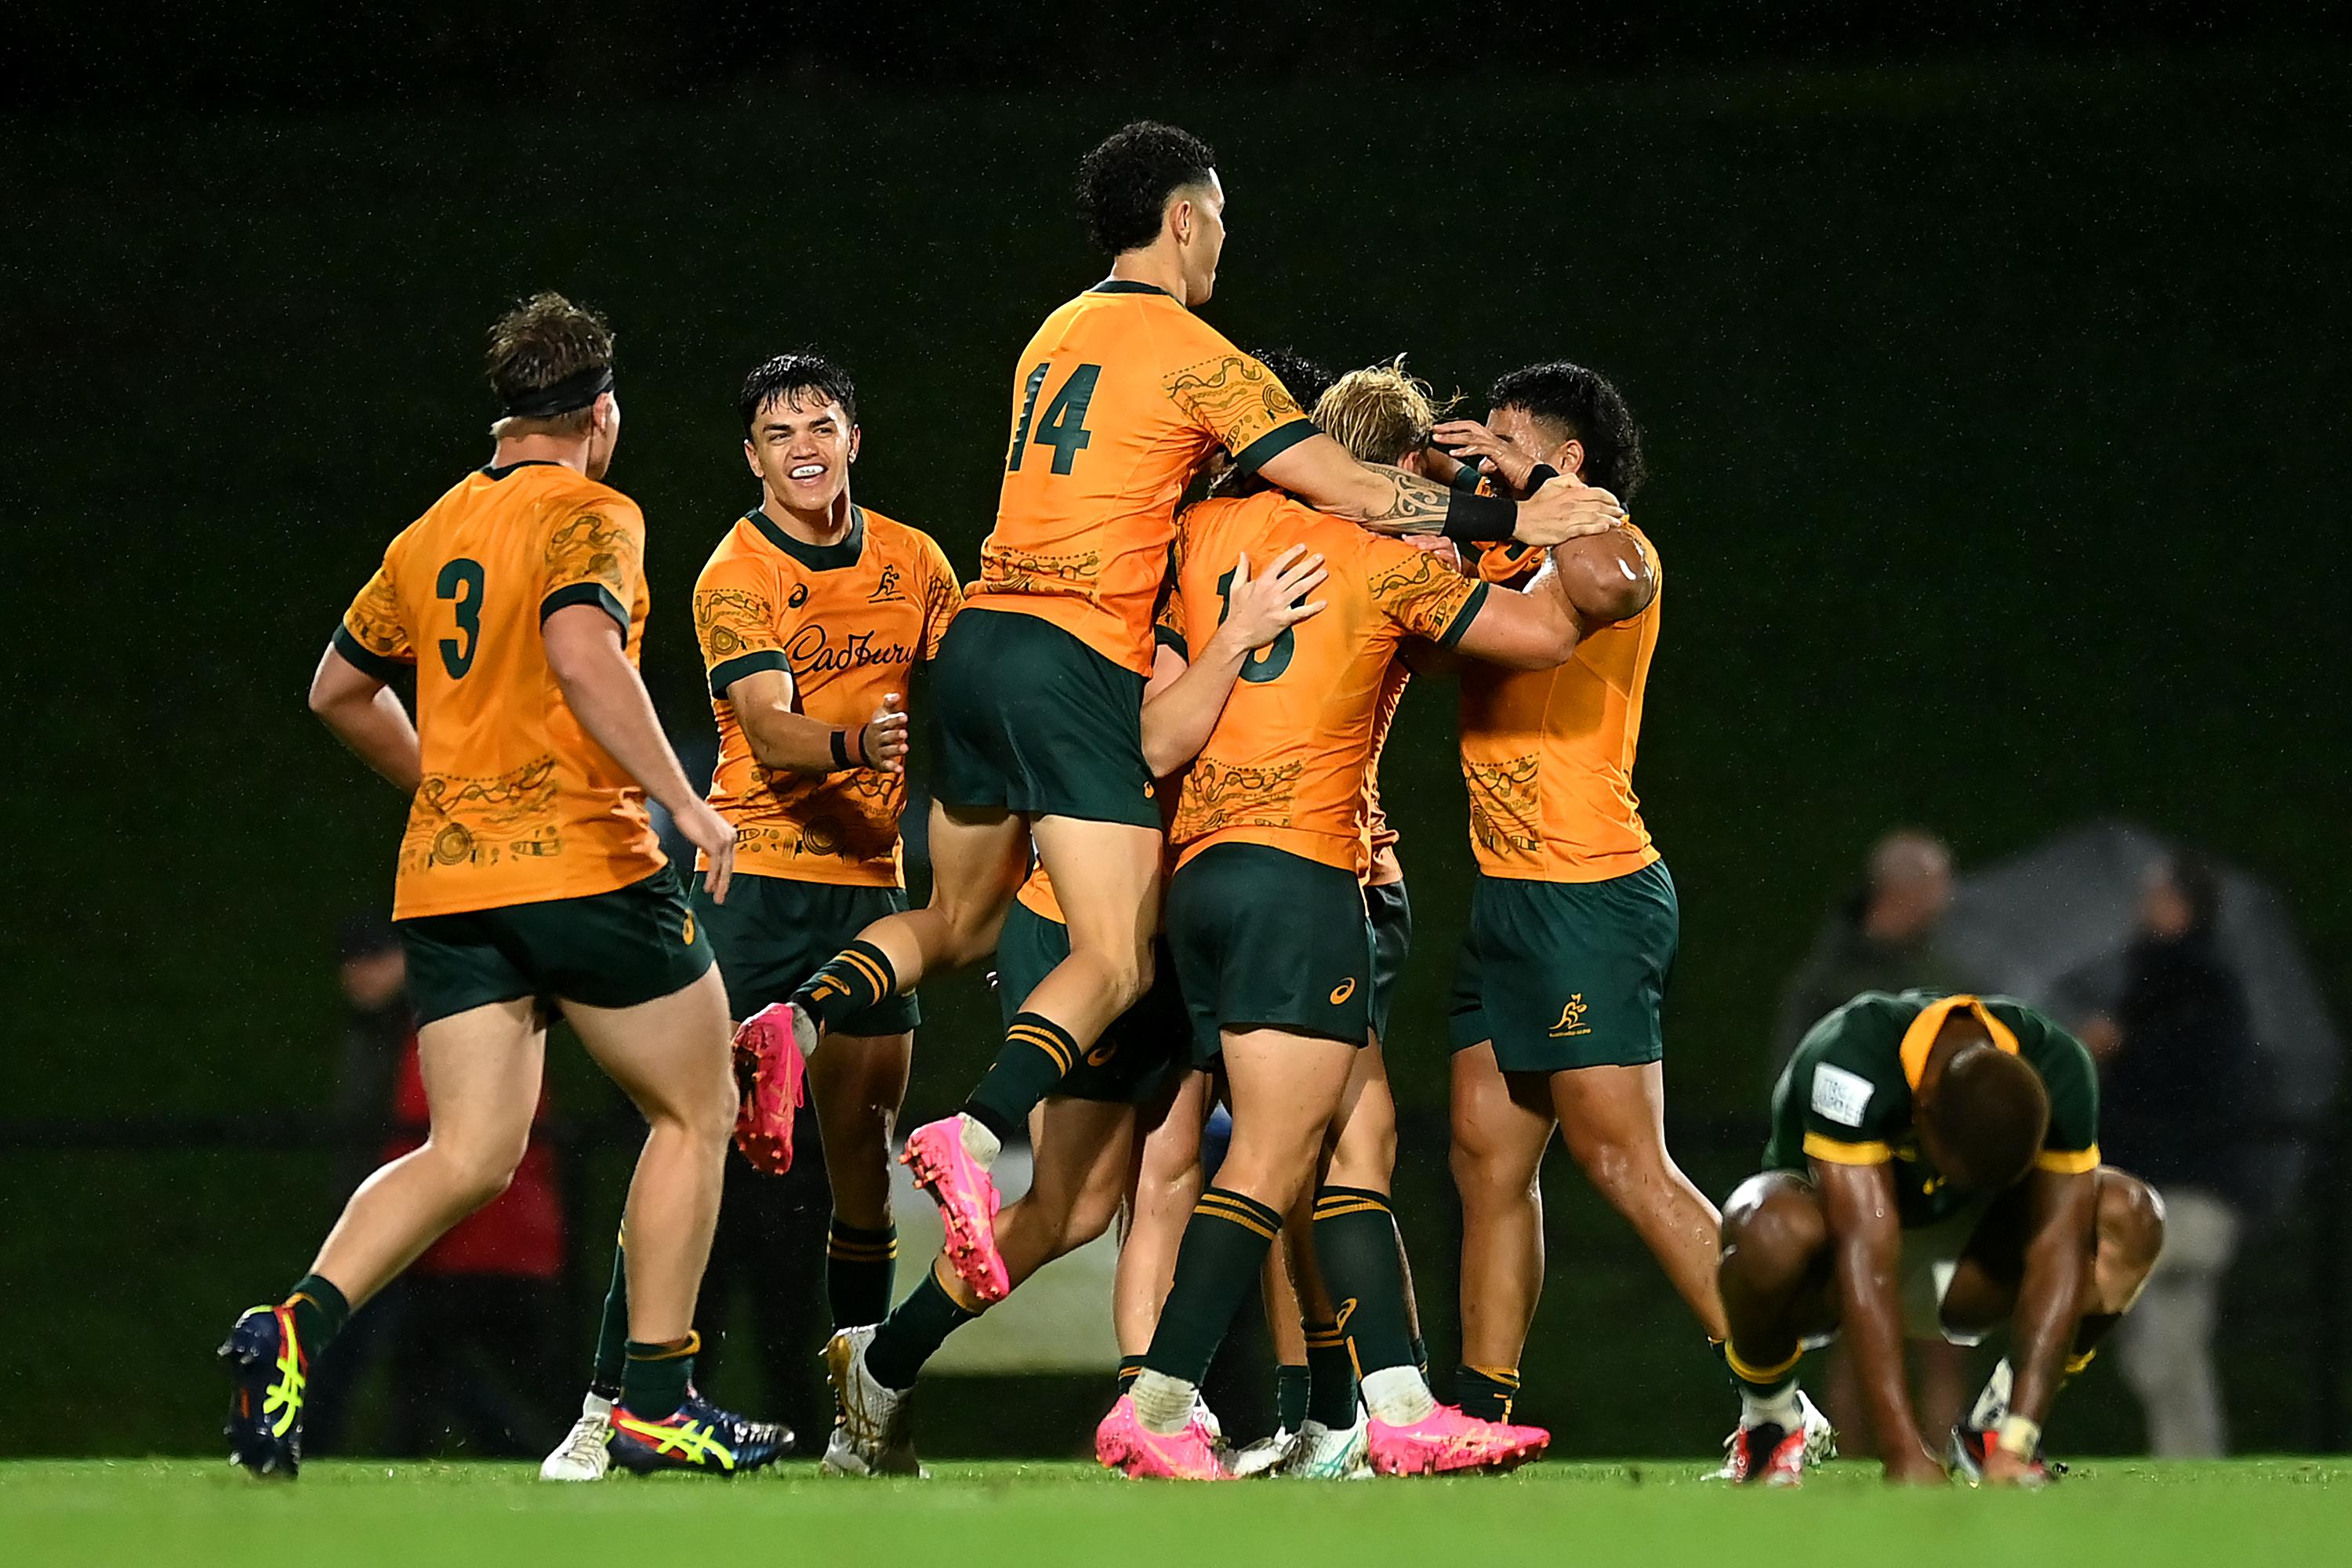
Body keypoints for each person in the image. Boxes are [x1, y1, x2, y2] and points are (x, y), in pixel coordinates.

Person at [778, 123, 1627, 1307]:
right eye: (1219, 214)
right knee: (1124, 969)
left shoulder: (1051, 335)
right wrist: (1504, 524)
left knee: (954, 918)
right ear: (1182, 218)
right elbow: (1334, 485)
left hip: (975, 637)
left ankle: (801, 1018)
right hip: (1090, 671)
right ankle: (976, 1145)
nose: (1226, 236)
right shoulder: (1198, 355)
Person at [222, 293, 779, 1479]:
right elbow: (583, 652)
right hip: (583, 865)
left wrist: (451, 782)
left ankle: (293, 1328)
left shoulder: (430, 532)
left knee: (469, 1153)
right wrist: (683, 804)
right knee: (698, 1108)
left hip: (451, 884)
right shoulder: (593, 511)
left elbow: (336, 689)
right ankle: (657, 1400)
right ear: (601, 414)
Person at [1098, 362, 1617, 1480]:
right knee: (1276, 1157)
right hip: (1304, 872)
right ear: (1401, 475)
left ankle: (1395, 1401)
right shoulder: (1384, 562)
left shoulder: (1203, 530)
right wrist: (1550, 512)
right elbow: (1545, 637)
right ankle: (1157, 1402)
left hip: (1200, 878)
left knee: (1360, 1142)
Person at [821, 544, 1324, 1475]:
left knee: (1163, 1176)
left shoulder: (1247, 575)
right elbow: (1154, 740)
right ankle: (888, 1359)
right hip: (1088, 929)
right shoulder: (1142, 603)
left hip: (1180, 930)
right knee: (1068, 1206)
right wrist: (1234, 640)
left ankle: (1152, 1404)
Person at [541, 353, 956, 1479]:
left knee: (862, 1155)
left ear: (855, 439)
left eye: (822, 423)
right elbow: (771, 731)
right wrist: (859, 743)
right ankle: (603, 1405)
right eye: (780, 433)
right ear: (753, 457)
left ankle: (866, 1418)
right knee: (698, 1131)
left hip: (871, 891)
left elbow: (960, 694)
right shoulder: (735, 569)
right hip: (757, 884)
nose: (805, 445)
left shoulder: (917, 562)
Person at [1429, 363, 1726, 1425]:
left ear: (1567, 461)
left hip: (1589, 889)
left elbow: (1606, 586)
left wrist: (1532, 498)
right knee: (1484, 1159)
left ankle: (1781, 1393)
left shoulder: (1612, 542)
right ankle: (1481, 1415)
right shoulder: (1498, 547)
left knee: (1625, 1161)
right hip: (1511, 898)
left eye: (1512, 438)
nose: (1488, 451)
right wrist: (1436, 477)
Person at [1714, 990, 2165, 1486]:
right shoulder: (1852, 1056)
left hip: (1969, 1271)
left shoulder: (2060, 1065)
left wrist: (2021, 1436)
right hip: (1834, 1276)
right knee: (1769, 1231)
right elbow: (1866, 1258)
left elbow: (2060, 1251)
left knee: (2132, 1215)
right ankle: (1771, 1416)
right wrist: (1903, 1451)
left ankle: (1994, 1430)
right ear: (1922, 1110)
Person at [1774, 829, 1977, 1453]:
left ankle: (1934, 1462)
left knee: (1936, 1340)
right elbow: (1798, 1074)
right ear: (1907, 889)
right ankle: (1862, 1463)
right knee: (1864, 1333)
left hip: (1929, 1176)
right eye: (1941, 883)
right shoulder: (1834, 979)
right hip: (1858, 1172)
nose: (1950, 897)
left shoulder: (1931, 967)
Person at [2083, 851, 2254, 1457]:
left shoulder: (2199, 986)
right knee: (2173, 1348)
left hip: (2188, 1194)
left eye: (2156, 895)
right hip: (2177, 1190)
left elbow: (2196, 1086)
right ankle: (2192, 1463)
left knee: (2108, 1287)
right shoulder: (2150, 987)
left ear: (2184, 907)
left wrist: (2122, 1049)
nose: (2142, 907)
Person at [1777, 830, 1969, 1064]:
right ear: (1903, 892)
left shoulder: (1936, 970)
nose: (1945, 900)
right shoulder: (1830, 981)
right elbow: (1798, 1070)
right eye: (1937, 887)